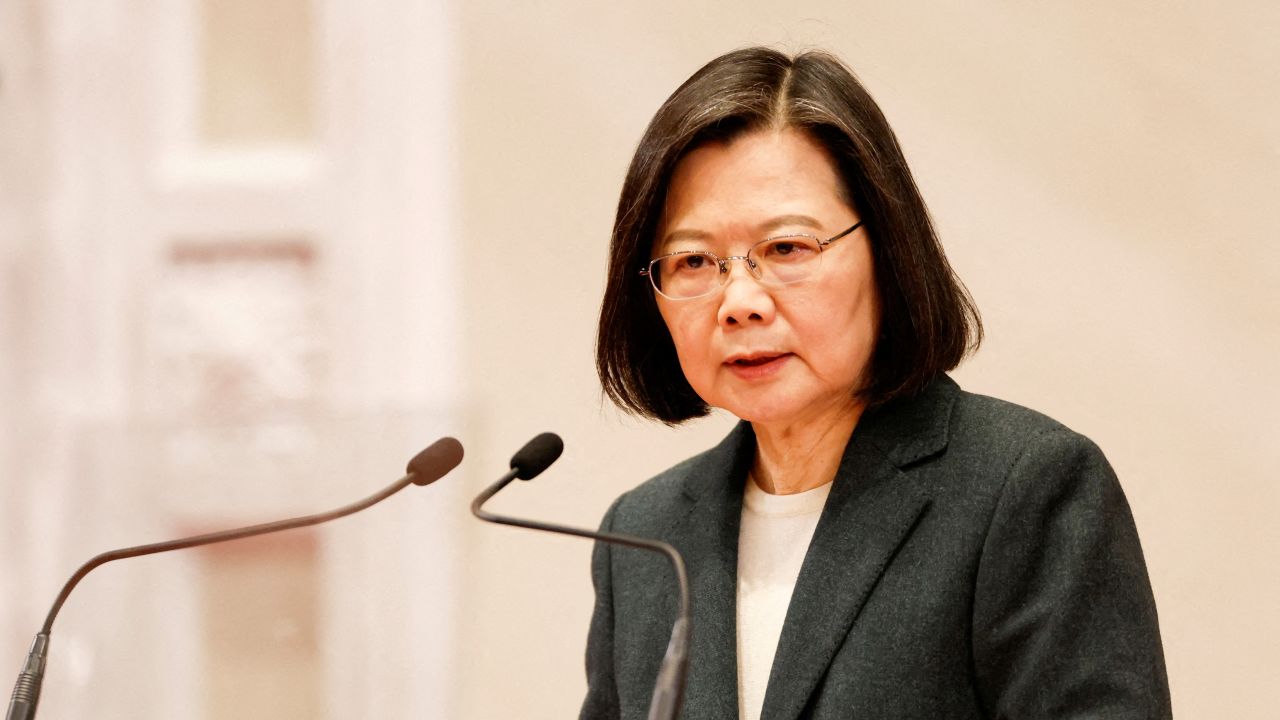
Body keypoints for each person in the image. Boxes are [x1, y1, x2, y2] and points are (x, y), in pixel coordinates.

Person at [584, 47, 1170, 720]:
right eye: (693, 261)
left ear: (885, 252)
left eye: (787, 249)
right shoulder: (643, 536)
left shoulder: (1025, 490)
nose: (739, 300)